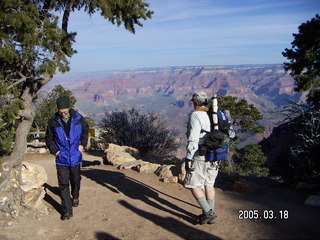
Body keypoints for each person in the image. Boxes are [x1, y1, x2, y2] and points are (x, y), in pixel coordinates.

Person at [45, 96, 89, 220]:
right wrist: (55, 151)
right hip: (62, 157)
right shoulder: (53, 120)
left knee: (76, 179)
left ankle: (75, 196)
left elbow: (86, 130)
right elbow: (49, 138)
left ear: (69, 108)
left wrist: (83, 144)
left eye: (65, 111)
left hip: (75, 155)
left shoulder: (78, 118)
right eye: (61, 112)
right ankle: (67, 211)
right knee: (63, 184)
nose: (63, 114)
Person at [183, 91, 219, 225]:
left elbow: (193, 138)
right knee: (209, 184)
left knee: (192, 184)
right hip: (215, 154)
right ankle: (209, 213)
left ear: (196, 103)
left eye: (193, 103)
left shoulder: (196, 115)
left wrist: (188, 157)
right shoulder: (213, 115)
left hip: (200, 155)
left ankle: (208, 213)